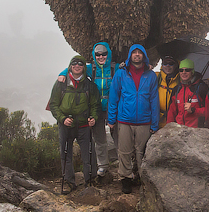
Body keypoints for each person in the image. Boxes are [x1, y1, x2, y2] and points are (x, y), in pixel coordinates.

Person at [56, 42, 116, 184]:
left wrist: (148, 66)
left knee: (119, 139)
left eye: (103, 54)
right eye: (97, 54)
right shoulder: (91, 68)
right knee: (99, 139)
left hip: (113, 108)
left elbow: (129, 71)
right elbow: (75, 68)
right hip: (96, 108)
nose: (101, 56)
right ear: (94, 56)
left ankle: (126, 166)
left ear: (108, 54)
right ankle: (102, 166)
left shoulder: (115, 68)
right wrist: (62, 74)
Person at [107, 44, 159, 194]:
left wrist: (154, 124)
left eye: (139, 52)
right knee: (124, 151)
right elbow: (113, 97)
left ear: (144, 55)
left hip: (144, 120)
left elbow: (154, 101)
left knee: (141, 152)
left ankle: (142, 178)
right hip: (124, 120)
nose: (137, 55)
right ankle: (125, 179)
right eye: (134, 52)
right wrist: (111, 119)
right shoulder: (121, 74)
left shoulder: (150, 75)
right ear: (130, 55)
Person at [49, 55, 99, 194]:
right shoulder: (61, 83)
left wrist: (93, 117)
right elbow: (53, 104)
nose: (77, 66)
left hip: (84, 126)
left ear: (84, 67)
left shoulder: (90, 85)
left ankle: (90, 180)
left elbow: (95, 105)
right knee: (66, 154)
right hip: (66, 125)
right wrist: (62, 118)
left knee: (88, 154)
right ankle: (69, 181)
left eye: (80, 64)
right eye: (74, 63)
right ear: (70, 66)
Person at [166, 58, 209, 128]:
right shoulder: (177, 89)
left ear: (192, 71)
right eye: (181, 70)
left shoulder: (202, 88)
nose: (183, 72)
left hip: (197, 131)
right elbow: (171, 112)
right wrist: (168, 128)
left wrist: (194, 110)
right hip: (179, 130)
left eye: (187, 70)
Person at [156, 55, 180, 129]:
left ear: (176, 65)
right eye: (165, 63)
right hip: (158, 119)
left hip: (174, 120)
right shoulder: (156, 76)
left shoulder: (180, 79)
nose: (168, 66)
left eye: (171, 64)